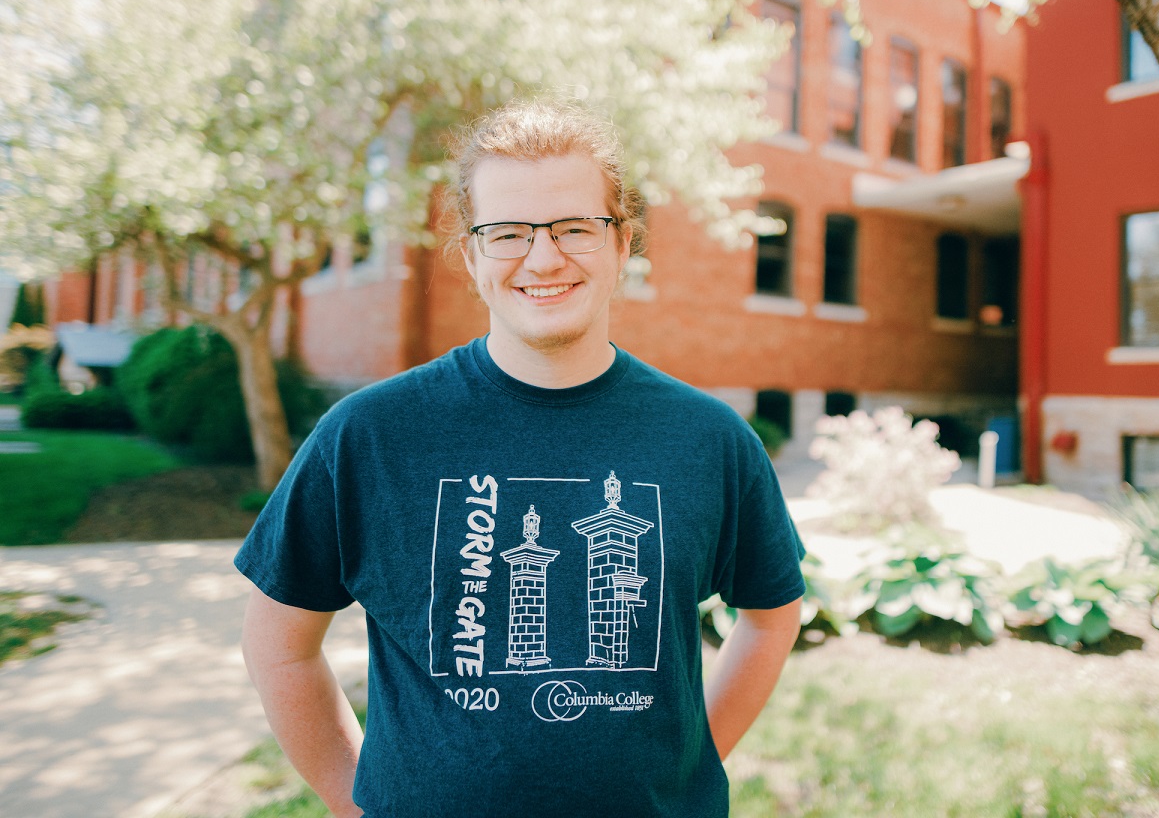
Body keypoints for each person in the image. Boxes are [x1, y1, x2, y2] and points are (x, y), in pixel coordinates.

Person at [236, 97, 805, 818]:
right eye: (507, 233)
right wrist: (357, 803)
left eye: (575, 228)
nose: (543, 258)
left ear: (623, 244)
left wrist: (687, 769)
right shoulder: (369, 436)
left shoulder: (710, 439)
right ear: (472, 256)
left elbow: (771, 614)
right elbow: (278, 643)